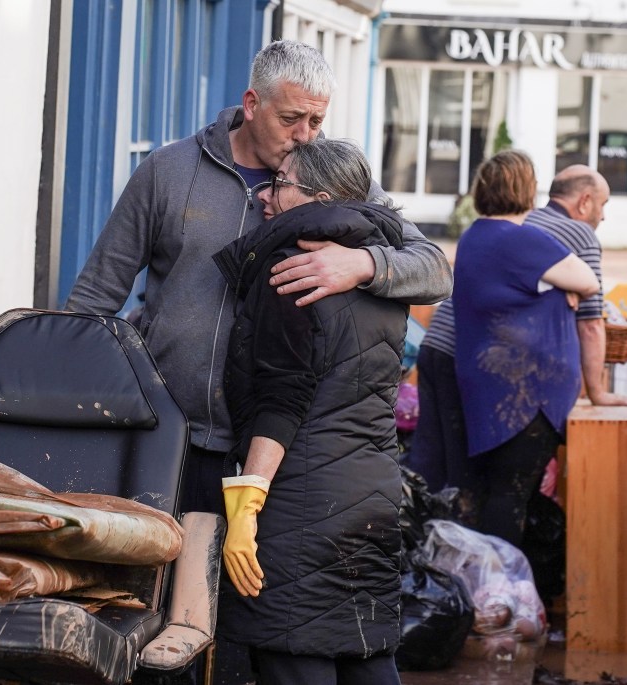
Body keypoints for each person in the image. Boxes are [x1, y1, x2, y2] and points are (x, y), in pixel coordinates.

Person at [64, 39, 452, 519]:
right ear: (252, 104)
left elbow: (433, 268)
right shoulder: (169, 171)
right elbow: (96, 293)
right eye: (291, 119)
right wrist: (65, 405)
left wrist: (362, 264)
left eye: (316, 122)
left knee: (245, 590)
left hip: (282, 452)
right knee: (160, 587)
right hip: (166, 430)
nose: (305, 136)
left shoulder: (343, 182)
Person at [213, 138, 405, 685]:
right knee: (367, 656)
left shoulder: (292, 271)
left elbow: (282, 395)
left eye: (279, 183)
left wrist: (247, 506)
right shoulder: (380, 272)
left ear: (318, 198)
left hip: (299, 502)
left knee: (297, 655)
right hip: (371, 498)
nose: (265, 197)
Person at [407, 163, 627, 502]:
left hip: (438, 346)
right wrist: (598, 392)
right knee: (480, 489)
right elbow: (590, 322)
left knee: (437, 474)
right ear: (586, 201)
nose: (602, 217)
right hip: (480, 361)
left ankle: (423, 544)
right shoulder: (577, 235)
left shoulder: (505, 226)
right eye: (603, 206)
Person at [452, 150, 600, 547]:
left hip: (488, 383)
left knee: (498, 491)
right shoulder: (521, 239)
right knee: (511, 494)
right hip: (523, 394)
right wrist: (564, 289)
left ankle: (501, 590)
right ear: (527, 190)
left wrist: (553, 288)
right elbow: (588, 281)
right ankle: (504, 595)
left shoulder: (475, 236)